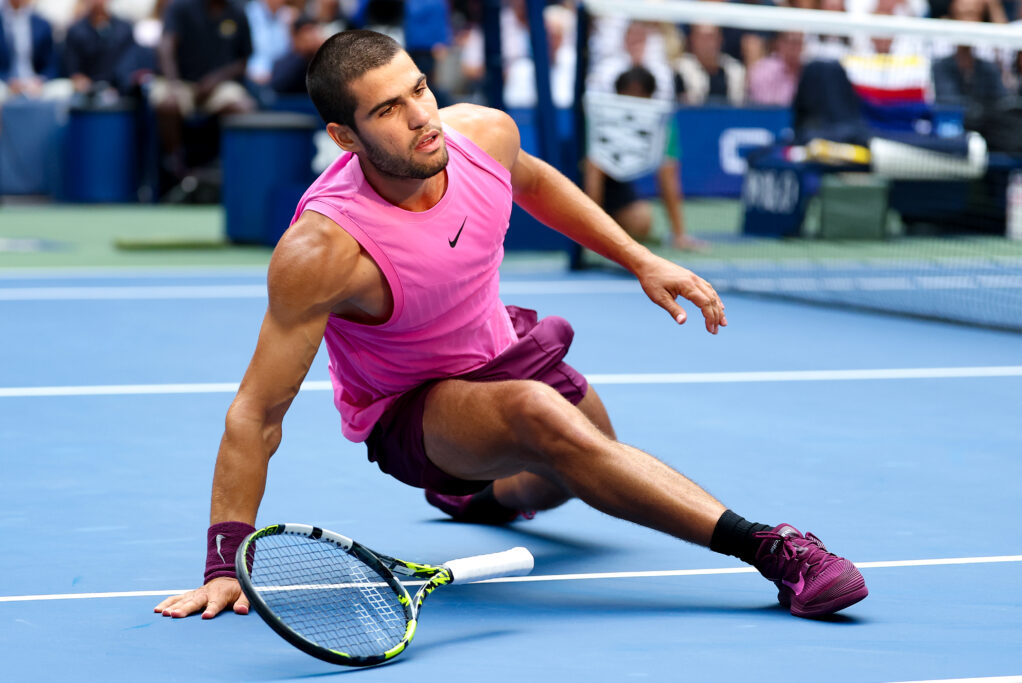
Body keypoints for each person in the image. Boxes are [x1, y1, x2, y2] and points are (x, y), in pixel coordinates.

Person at [154, 30, 868, 623]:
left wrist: (641, 259)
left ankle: (479, 497)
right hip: (410, 410)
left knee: (577, 466)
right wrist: (224, 561)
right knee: (543, 418)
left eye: (419, 90)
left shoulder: (481, 135)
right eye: (389, 110)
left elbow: (531, 180)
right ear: (345, 136)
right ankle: (773, 549)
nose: (421, 117)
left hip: (501, 350)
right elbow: (257, 411)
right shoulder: (324, 250)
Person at [584, 66, 703, 251]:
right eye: (628, 94)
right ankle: (586, 233)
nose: (633, 101)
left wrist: (679, 234)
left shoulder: (661, 123)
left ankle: (603, 231)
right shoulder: (597, 116)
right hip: (577, 184)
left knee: (641, 220)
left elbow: (668, 173)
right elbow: (591, 166)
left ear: (650, 97)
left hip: (616, 189)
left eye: (639, 95)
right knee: (593, 165)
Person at [151, 0, 256, 182]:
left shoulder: (238, 12)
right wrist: (174, 84)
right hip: (180, 80)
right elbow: (166, 46)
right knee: (168, 104)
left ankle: (227, 168)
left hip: (218, 84)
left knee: (243, 107)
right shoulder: (180, 6)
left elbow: (244, 60)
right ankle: (177, 167)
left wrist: (216, 79)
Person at [63, 0, 138, 100]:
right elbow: (73, 68)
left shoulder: (124, 28)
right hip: (89, 91)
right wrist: (81, 81)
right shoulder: (76, 31)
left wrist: (120, 85)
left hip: (120, 89)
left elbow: (130, 63)